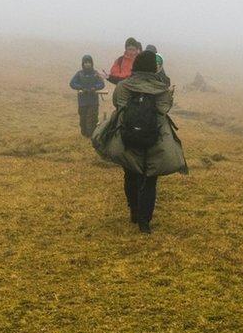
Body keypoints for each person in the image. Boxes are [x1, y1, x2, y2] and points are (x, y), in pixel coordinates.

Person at [91, 50, 188, 234]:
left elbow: (118, 104)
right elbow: (163, 109)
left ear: (135, 65)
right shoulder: (161, 88)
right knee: (149, 179)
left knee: (130, 174)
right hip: (154, 140)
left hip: (127, 138)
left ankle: (134, 212)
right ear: (153, 67)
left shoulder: (124, 86)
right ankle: (145, 222)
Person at [69, 55, 105, 137]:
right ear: (83, 64)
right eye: (85, 62)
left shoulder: (96, 74)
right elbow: (72, 83)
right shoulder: (79, 74)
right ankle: (85, 134)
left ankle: (92, 136)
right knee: (83, 120)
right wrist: (81, 87)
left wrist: (95, 88)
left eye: (89, 62)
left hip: (93, 101)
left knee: (92, 119)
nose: (87, 64)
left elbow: (102, 84)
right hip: (82, 102)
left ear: (92, 63)